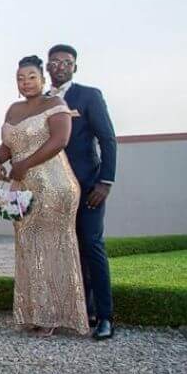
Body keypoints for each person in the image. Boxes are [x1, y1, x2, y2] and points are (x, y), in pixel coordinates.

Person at [0, 56, 89, 336]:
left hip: (54, 185)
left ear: (43, 79)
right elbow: (11, 143)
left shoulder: (55, 105)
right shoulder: (13, 109)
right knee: (28, 248)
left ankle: (57, 315)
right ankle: (34, 311)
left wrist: (25, 164)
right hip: (22, 188)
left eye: (32, 77)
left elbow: (60, 140)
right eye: (21, 78)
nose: (26, 82)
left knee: (53, 248)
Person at [46, 44, 118, 340]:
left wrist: (105, 182)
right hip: (53, 188)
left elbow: (108, 139)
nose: (61, 66)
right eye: (55, 62)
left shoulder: (88, 96)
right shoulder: (41, 100)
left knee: (91, 246)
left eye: (67, 62)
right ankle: (79, 310)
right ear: (48, 67)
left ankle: (105, 317)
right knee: (65, 249)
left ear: (75, 67)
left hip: (88, 186)